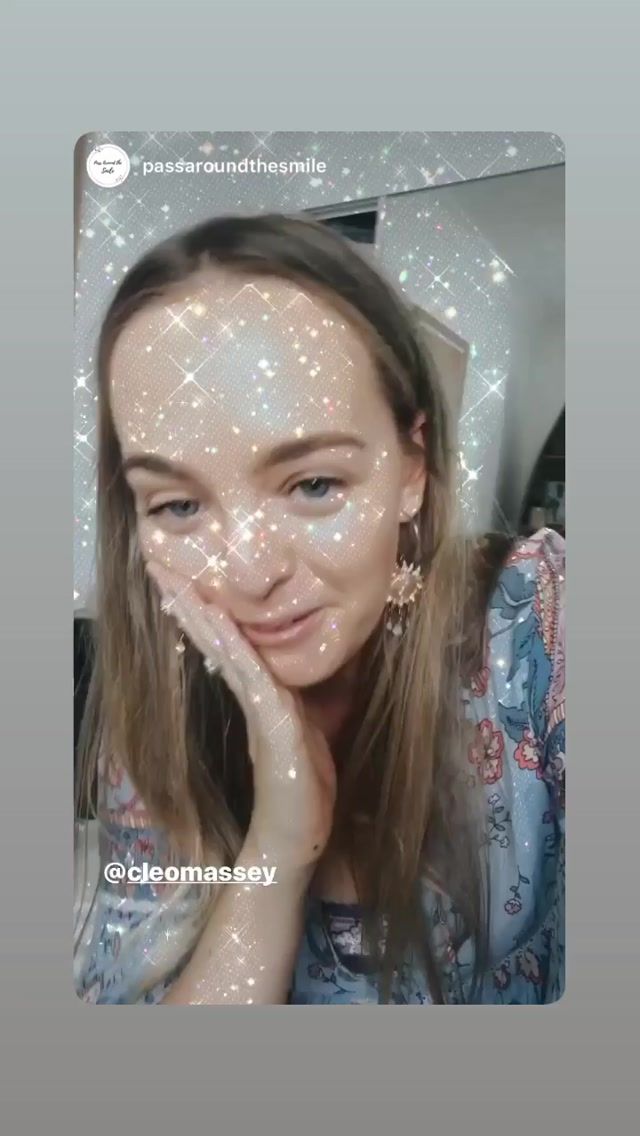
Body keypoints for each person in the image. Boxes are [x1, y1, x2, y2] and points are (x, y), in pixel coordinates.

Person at [74, 212, 565, 1005]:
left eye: (313, 485)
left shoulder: (541, 627)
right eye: (178, 505)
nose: (251, 572)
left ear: (412, 470)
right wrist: (277, 853)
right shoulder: (155, 726)